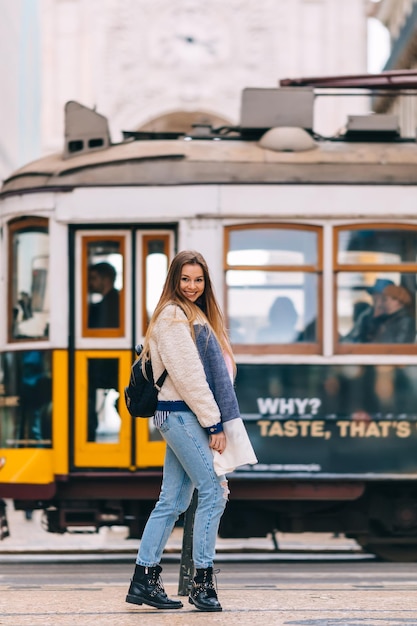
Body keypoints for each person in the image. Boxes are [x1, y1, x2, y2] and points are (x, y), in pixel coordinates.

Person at [125, 250, 256, 612]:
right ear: (174, 281)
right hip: (183, 416)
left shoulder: (193, 314)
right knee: (214, 492)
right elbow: (189, 377)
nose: (192, 286)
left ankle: (143, 579)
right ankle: (202, 581)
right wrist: (214, 423)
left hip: (181, 417)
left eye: (198, 279)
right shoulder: (172, 316)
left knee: (173, 501)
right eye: (185, 279)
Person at [342, 278, 394, 343]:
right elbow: (353, 336)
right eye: (374, 293)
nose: (375, 297)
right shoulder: (367, 314)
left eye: (380, 295)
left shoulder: (393, 317)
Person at [88, 262, 120, 328]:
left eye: (93, 278)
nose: (90, 282)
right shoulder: (117, 299)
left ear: (106, 280)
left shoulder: (111, 303)